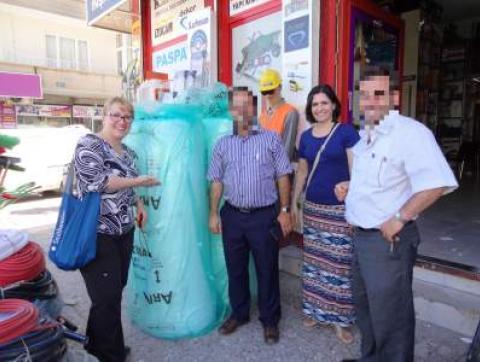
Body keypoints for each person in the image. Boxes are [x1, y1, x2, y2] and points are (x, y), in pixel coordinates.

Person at [335, 75, 458, 362]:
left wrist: (401, 218)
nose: (370, 101)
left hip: (387, 240)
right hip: (361, 239)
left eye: (378, 93)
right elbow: (380, 183)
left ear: (394, 98)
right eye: (364, 94)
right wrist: (350, 187)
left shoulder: (410, 133)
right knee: (367, 309)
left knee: (391, 316)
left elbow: (435, 183)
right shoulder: (367, 134)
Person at [74, 97, 159, 362]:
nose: (122, 121)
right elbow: (97, 183)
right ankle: (112, 354)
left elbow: (129, 189)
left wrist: (140, 202)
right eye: (116, 115)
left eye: (127, 117)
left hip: (123, 232)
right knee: (107, 297)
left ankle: (95, 345)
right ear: (104, 116)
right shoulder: (89, 144)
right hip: (96, 234)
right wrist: (138, 180)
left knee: (111, 293)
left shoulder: (129, 152)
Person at [208, 87, 293, 344]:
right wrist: (213, 213)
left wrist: (285, 211)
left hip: (263, 216)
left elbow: (283, 175)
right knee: (235, 269)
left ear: (254, 108)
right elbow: (216, 180)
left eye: (247, 105)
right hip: (232, 215)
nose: (242, 110)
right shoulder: (222, 144)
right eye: (237, 106)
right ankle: (240, 313)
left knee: (266, 269)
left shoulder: (271, 139)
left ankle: (270, 320)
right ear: (231, 111)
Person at [291, 84, 359, 344]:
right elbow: (302, 172)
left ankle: (340, 321)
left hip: (339, 211)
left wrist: (354, 203)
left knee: (339, 266)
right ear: (310, 108)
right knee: (315, 264)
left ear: (333, 105)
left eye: (324, 103)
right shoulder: (306, 137)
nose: (319, 108)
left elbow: (358, 172)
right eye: (315, 104)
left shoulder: (346, 132)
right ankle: (315, 312)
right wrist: (295, 202)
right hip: (313, 210)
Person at [258, 68, 299, 160]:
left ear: (280, 87)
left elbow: (287, 150)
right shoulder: (262, 116)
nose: (268, 95)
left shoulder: (290, 112)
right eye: (265, 92)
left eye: (271, 90)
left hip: (280, 171)